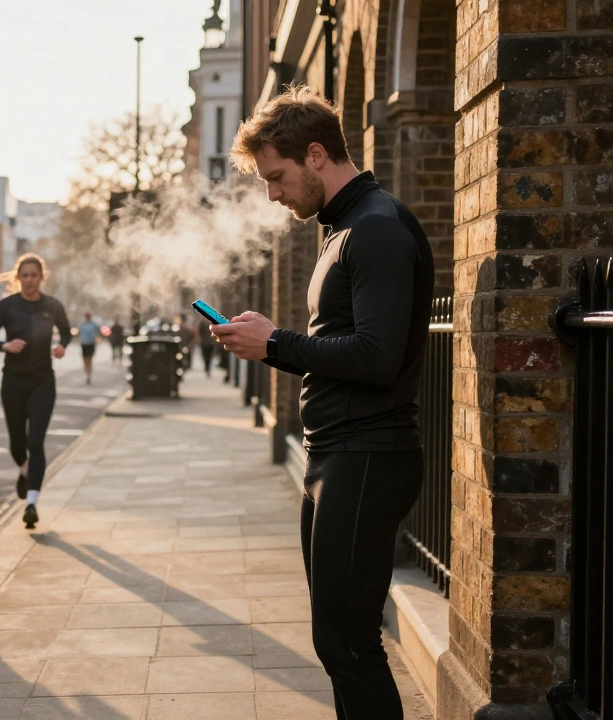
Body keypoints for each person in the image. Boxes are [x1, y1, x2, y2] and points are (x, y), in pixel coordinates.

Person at [211, 85, 434, 720]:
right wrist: (272, 339)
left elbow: (377, 355)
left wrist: (275, 343)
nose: (272, 194)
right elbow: (342, 340)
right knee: (337, 643)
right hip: (332, 459)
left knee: (350, 644)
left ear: (316, 155)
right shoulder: (341, 227)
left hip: (368, 455)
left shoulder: (378, 228)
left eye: (276, 177)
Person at [0, 253, 71, 530]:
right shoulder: (8, 306)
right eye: (25, 275)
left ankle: (31, 503)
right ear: (18, 278)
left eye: (34, 275)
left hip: (43, 380)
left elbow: (67, 332)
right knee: (17, 443)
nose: (30, 280)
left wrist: (61, 346)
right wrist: (5, 346)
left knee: (36, 441)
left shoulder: (52, 305)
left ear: (41, 277)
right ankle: (24, 468)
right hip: (13, 381)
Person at [76, 312, 100, 384]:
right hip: (84, 344)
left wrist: (96, 341)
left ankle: (89, 375)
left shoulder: (94, 325)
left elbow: (98, 332)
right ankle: (87, 374)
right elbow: (78, 333)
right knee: (85, 360)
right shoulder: (81, 325)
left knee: (90, 360)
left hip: (91, 344)